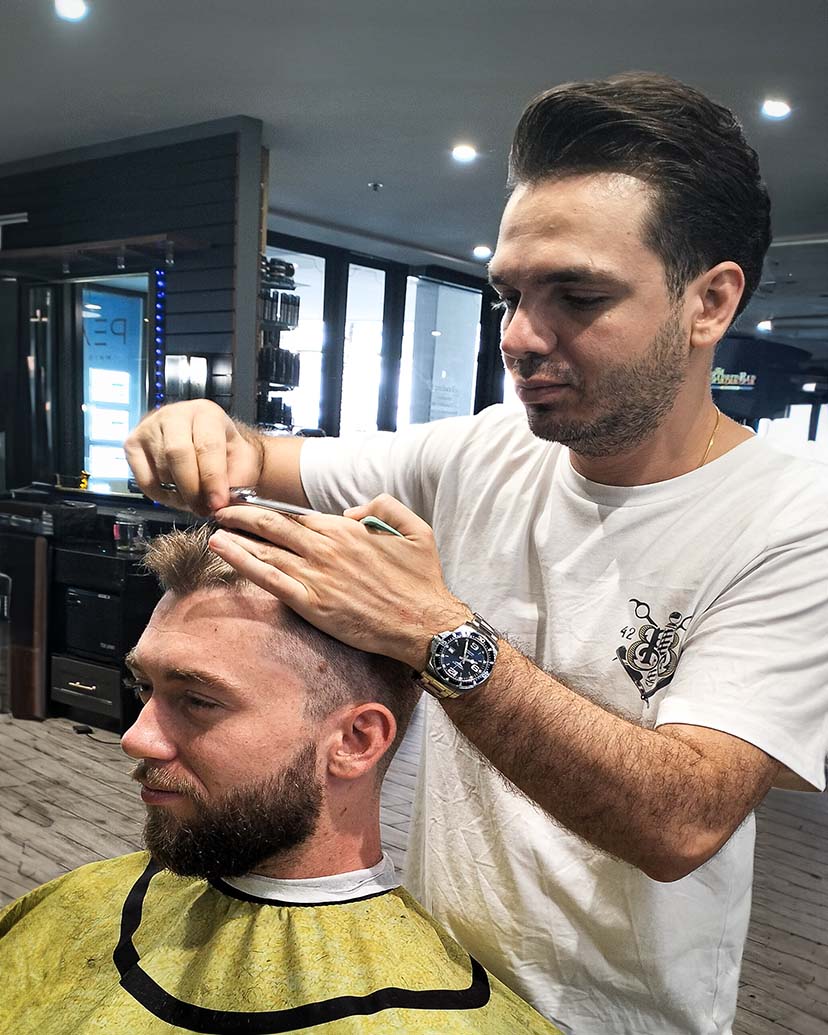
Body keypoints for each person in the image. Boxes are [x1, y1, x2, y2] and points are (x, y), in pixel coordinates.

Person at [123, 72, 828, 1035]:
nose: (521, 337)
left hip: (608, 1015)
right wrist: (197, 429)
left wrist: (434, 633)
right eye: (510, 294)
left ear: (709, 301)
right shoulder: (485, 449)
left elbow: (683, 820)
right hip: (434, 980)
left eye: (578, 295)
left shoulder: (793, 521)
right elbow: (257, 456)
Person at [0, 527, 560, 1035]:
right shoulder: (81, 899)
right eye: (144, 687)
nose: (135, 738)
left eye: (198, 701)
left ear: (355, 742)